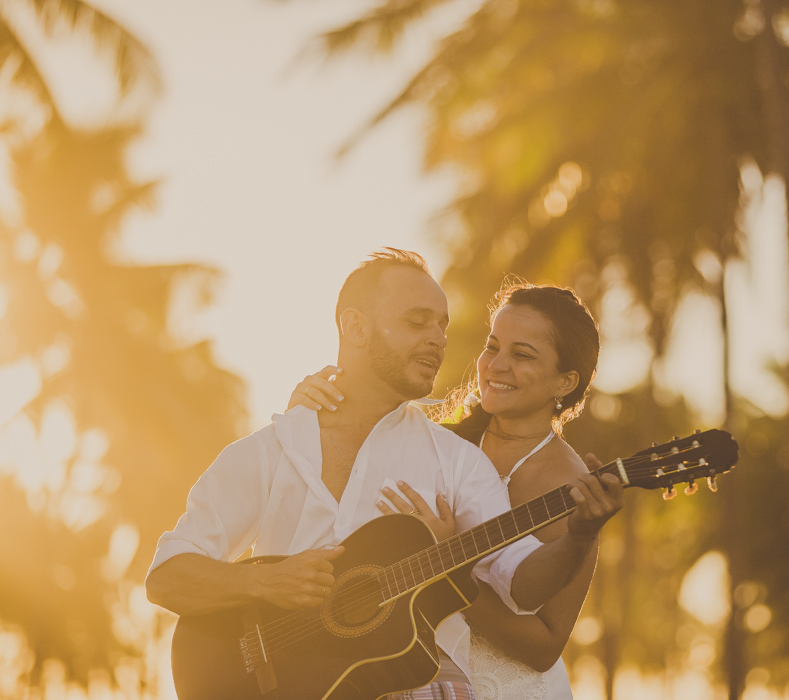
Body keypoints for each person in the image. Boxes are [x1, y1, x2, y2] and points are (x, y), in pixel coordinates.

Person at [144, 249, 623, 700]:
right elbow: (166, 578)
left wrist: (578, 538)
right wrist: (264, 584)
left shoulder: (458, 461)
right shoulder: (268, 451)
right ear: (354, 326)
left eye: (443, 326)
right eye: (418, 322)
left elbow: (519, 582)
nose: (438, 339)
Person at [287, 281, 603, 699]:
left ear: (565, 382)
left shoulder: (570, 484)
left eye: (522, 354)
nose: (497, 365)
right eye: (493, 347)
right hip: (412, 677)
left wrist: (443, 568)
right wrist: (305, 413)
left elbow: (544, 646)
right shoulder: (439, 445)